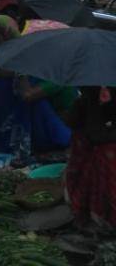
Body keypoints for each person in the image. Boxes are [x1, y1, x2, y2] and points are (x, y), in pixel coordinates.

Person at [0, 16, 71, 159]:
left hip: (61, 125)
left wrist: (22, 66)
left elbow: (27, 95)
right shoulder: (38, 68)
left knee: (32, 100)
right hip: (41, 121)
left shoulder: (59, 76)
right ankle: (2, 140)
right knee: (1, 86)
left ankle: (22, 146)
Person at [65, 86, 116, 229]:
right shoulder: (88, 97)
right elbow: (73, 121)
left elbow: (71, 121)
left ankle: (92, 215)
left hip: (101, 146)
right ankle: (92, 215)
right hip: (92, 145)